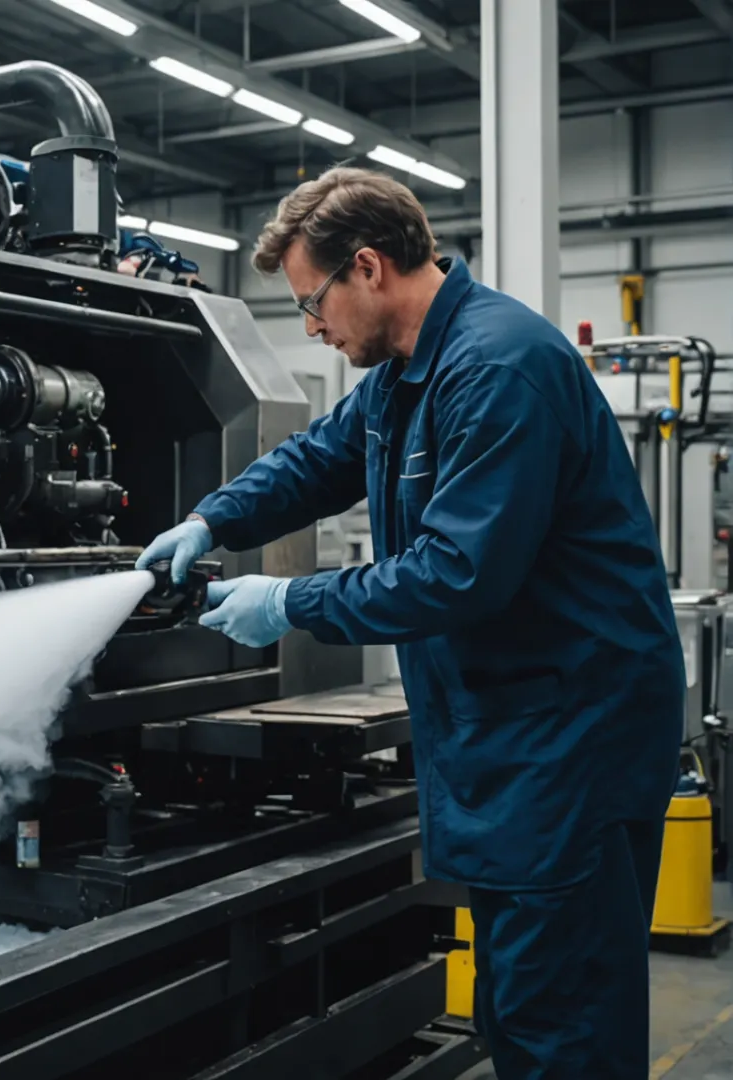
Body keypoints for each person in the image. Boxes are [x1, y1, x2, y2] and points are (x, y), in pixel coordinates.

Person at [137, 167, 683, 1079]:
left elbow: (456, 573)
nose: (312, 327)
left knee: (566, 1024)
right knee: (518, 1013)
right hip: (510, 740)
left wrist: (289, 603)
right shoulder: (404, 372)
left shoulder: (498, 367)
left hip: (568, 748)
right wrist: (212, 520)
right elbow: (319, 459)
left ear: (369, 267)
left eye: (314, 302)